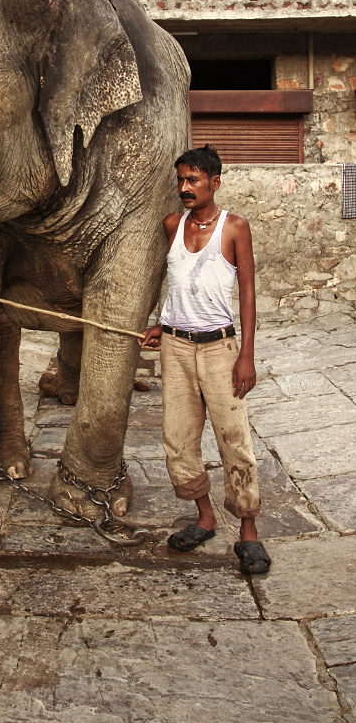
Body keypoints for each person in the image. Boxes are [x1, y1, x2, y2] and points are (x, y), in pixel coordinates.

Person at [142, 144, 271, 575]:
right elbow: (176, 283)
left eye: (193, 180)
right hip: (176, 349)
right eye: (180, 180)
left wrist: (246, 355)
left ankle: (248, 532)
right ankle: (204, 517)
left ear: (214, 182)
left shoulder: (235, 228)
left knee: (234, 439)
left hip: (220, 350)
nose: (185, 188)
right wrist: (162, 322)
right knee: (178, 439)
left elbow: (248, 293)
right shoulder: (172, 226)